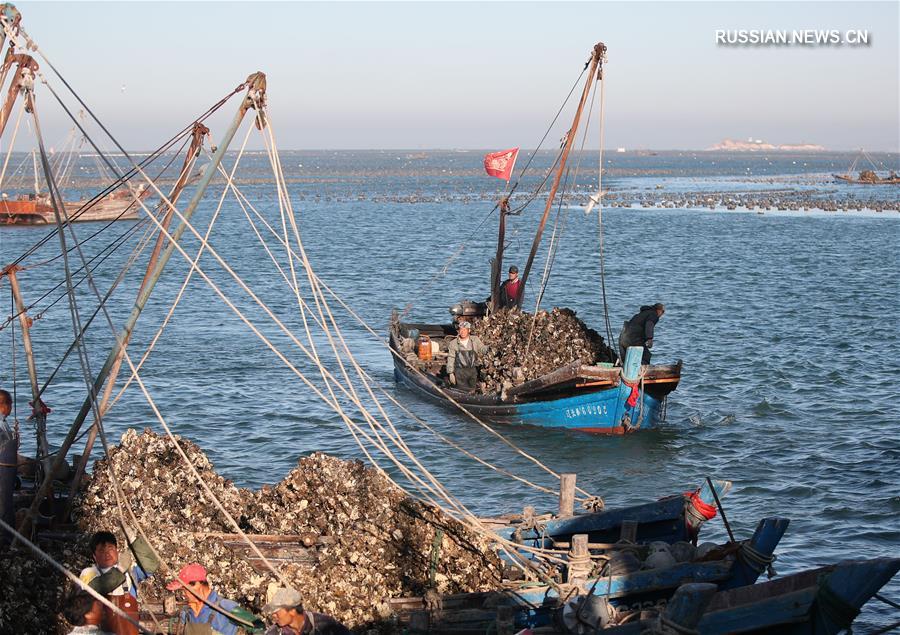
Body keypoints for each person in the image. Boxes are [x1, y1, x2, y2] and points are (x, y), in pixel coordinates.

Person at [79, 528, 159, 635]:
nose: (107, 554)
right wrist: (119, 570)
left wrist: (134, 541)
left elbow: (150, 566)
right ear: (95, 556)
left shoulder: (129, 571)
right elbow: (95, 589)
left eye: (110, 548)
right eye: (101, 551)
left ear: (117, 551)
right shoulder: (89, 573)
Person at [167, 563, 263, 635]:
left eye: (185, 590)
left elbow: (258, 627)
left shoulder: (224, 607)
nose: (184, 594)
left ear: (198, 585)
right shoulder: (187, 613)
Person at [262, 587, 350, 635]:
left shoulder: (324, 624)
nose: (273, 615)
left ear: (292, 611)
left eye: (277, 612)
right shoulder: (275, 632)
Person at [446, 321, 488, 392]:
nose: (462, 331)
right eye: (461, 329)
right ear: (458, 331)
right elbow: (451, 358)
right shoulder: (453, 343)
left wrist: (489, 348)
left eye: (465, 329)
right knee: (462, 391)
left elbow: (482, 349)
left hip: (472, 371)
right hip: (460, 373)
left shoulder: (475, 340)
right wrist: (450, 373)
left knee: (473, 390)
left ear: (469, 330)